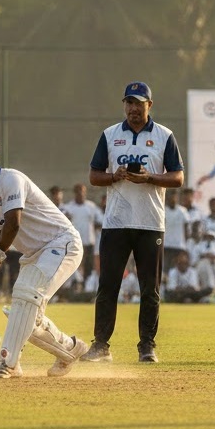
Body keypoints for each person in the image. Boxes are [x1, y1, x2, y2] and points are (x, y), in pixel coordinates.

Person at [0, 134, 87, 379]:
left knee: (26, 298)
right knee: (24, 312)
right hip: (35, 254)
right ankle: (70, 349)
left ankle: (7, 363)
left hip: (62, 243)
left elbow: (13, 223)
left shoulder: (11, 179)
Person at [85, 81, 185, 364]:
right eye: (128, 103)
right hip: (116, 222)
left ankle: (147, 346)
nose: (132, 109)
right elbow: (94, 176)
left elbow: (177, 177)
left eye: (138, 103)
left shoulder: (165, 136)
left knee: (149, 288)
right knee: (108, 286)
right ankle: (101, 345)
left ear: (149, 106)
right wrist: (115, 176)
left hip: (151, 223)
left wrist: (149, 178)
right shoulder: (110, 134)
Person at [62, 183, 104, 278]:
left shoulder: (91, 206)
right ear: (75, 193)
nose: (81, 193)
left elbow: (101, 220)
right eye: (78, 191)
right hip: (75, 242)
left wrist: (96, 225)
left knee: (89, 266)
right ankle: (77, 285)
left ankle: (86, 286)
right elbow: (62, 218)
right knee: (75, 265)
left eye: (83, 191)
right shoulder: (69, 207)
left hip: (89, 242)